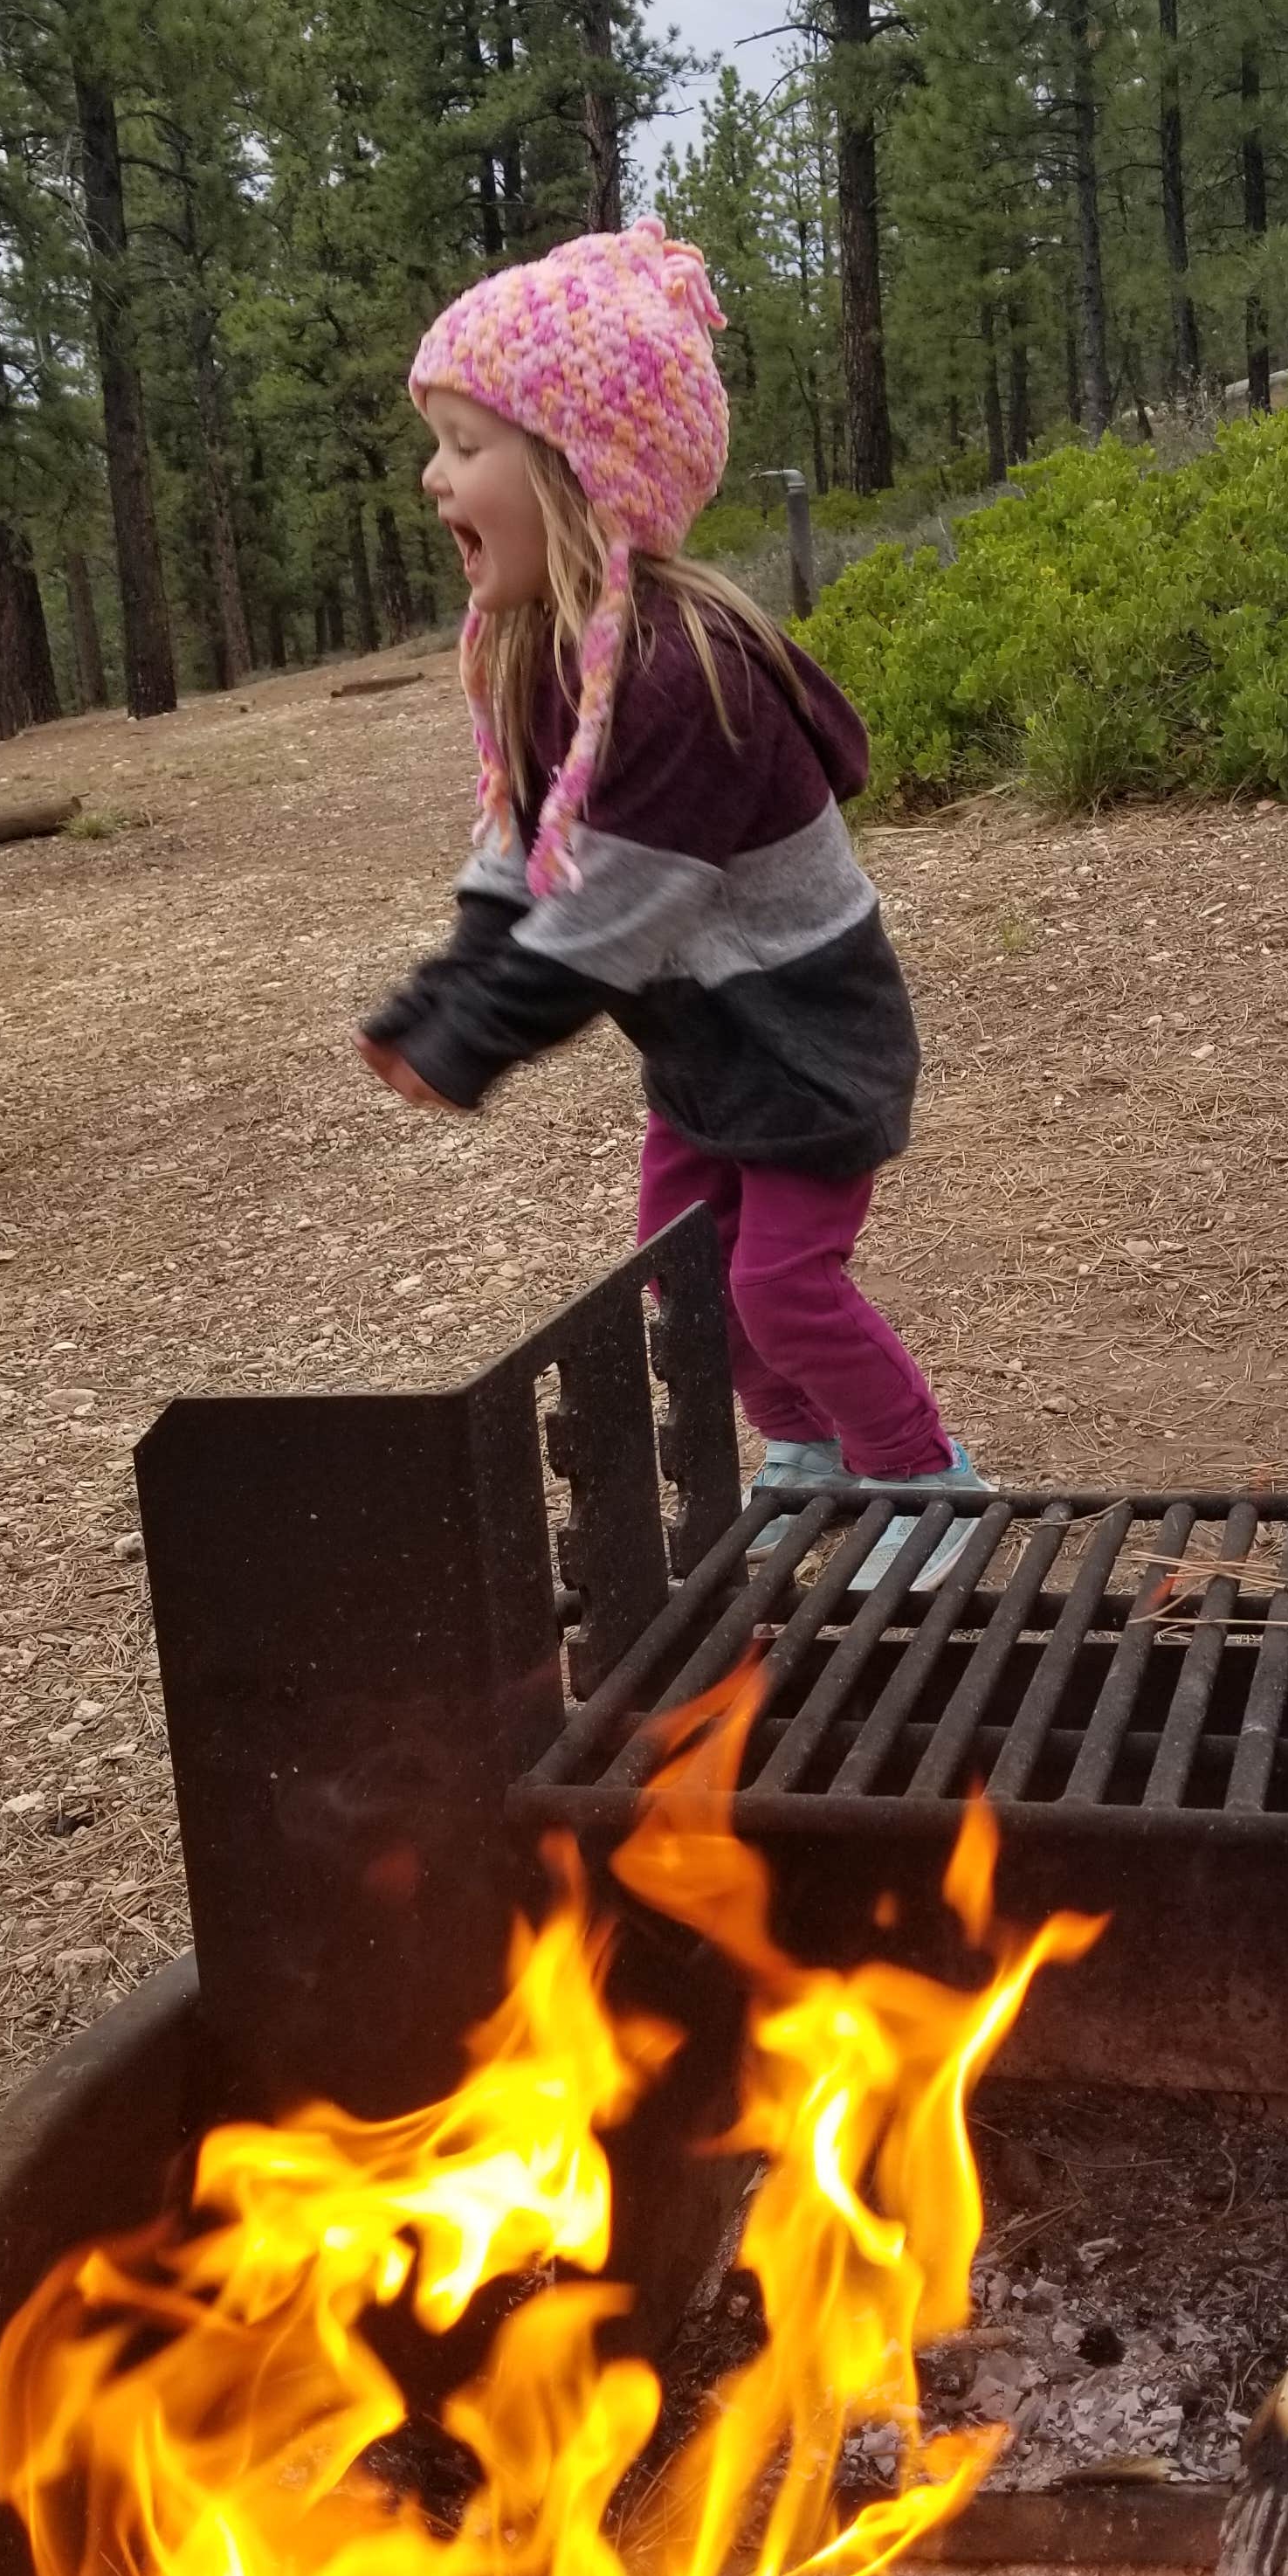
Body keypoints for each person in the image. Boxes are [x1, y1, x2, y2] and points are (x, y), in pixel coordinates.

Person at [356, 219, 983, 1585]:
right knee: (684, 1272)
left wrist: (475, 1036)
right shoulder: (548, 654)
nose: (432, 475)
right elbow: (522, 845)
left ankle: (927, 1479)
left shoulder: (679, 675)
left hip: (804, 1040)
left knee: (778, 1282)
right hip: (708, 1046)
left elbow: (610, 918)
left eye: (468, 445)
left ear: (582, 470)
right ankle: (807, 1445)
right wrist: (444, 982)